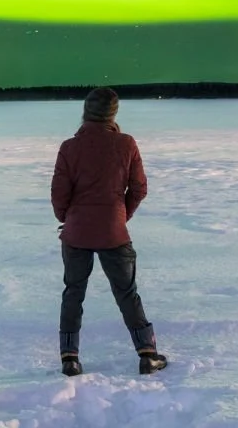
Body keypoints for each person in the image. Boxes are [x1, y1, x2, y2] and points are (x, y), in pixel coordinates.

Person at [50, 87, 167, 376]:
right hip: (113, 232)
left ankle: (70, 359)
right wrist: (119, 216)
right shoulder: (126, 144)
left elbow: (58, 194)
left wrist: (70, 217)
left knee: (73, 292)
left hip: (76, 232)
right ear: (113, 113)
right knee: (127, 293)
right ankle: (147, 354)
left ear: (85, 112)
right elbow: (139, 189)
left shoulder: (69, 147)